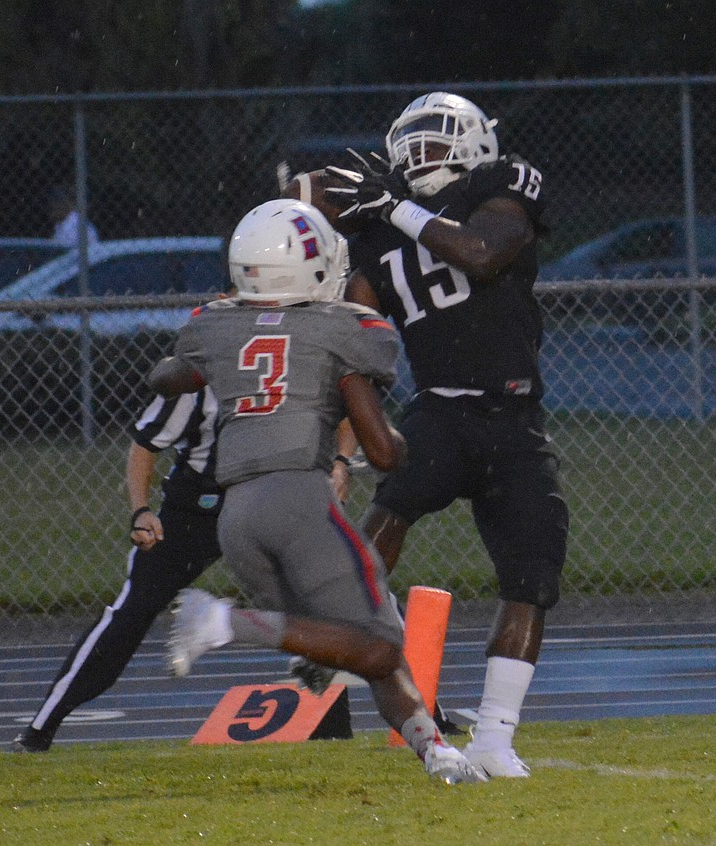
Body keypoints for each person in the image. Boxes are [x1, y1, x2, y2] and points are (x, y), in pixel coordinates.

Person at [148, 198, 484, 785]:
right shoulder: (341, 331)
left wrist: (225, 350)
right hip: (298, 502)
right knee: (380, 645)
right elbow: (382, 452)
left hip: (237, 515)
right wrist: (399, 446)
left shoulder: (218, 324)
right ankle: (223, 621)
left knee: (348, 647)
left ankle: (438, 756)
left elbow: (166, 375)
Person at [318, 91, 570, 778]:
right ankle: (338, 630)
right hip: (440, 410)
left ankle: (495, 738)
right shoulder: (379, 230)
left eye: (433, 144)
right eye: (410, 149)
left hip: (515, 415)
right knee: (386, 515)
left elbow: (482, 253)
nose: (418, 160)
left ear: (473, 143)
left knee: (532, 577)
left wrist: (393, 209)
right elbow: (354, 337)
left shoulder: (501, 187)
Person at [11, 387, 223, 752]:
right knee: (130, 616)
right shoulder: (197, 380)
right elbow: (146, 443)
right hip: (197, 511)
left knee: (311, 582)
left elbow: (345, 396)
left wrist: (341, 461)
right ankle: (40, 729)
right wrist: (141, 511)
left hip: (268, 499)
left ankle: (217, 621)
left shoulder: (302, 356)